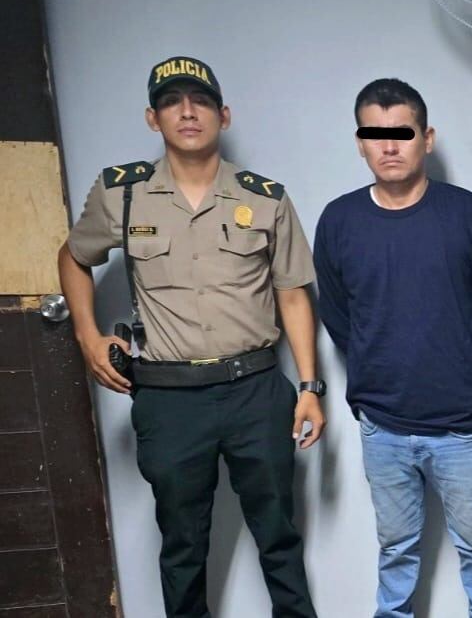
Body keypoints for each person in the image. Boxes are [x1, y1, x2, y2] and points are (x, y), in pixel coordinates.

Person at [57, 56, 323, 618]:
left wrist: (308, 387)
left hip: (255, 391)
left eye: (200, 101)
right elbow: (74, 256)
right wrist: (86, 335)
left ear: (223, 116)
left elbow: (294, 294)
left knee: (279, 535)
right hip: (169, 398)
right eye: (172, 102)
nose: (187, 112)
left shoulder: (265, 198)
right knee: (182, 546)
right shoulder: (122, 193)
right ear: (152, 118)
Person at [313, 79, 472, 618]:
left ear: (427, 138)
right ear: (360, 142)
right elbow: (338, 316)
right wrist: (372, 380)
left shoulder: (468, 214)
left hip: (459, 426)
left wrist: (471, 379)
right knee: (396, 549)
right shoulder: (339, 220)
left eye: (402, 133)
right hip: (383, 424)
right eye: (375, 134)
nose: (389, 146)